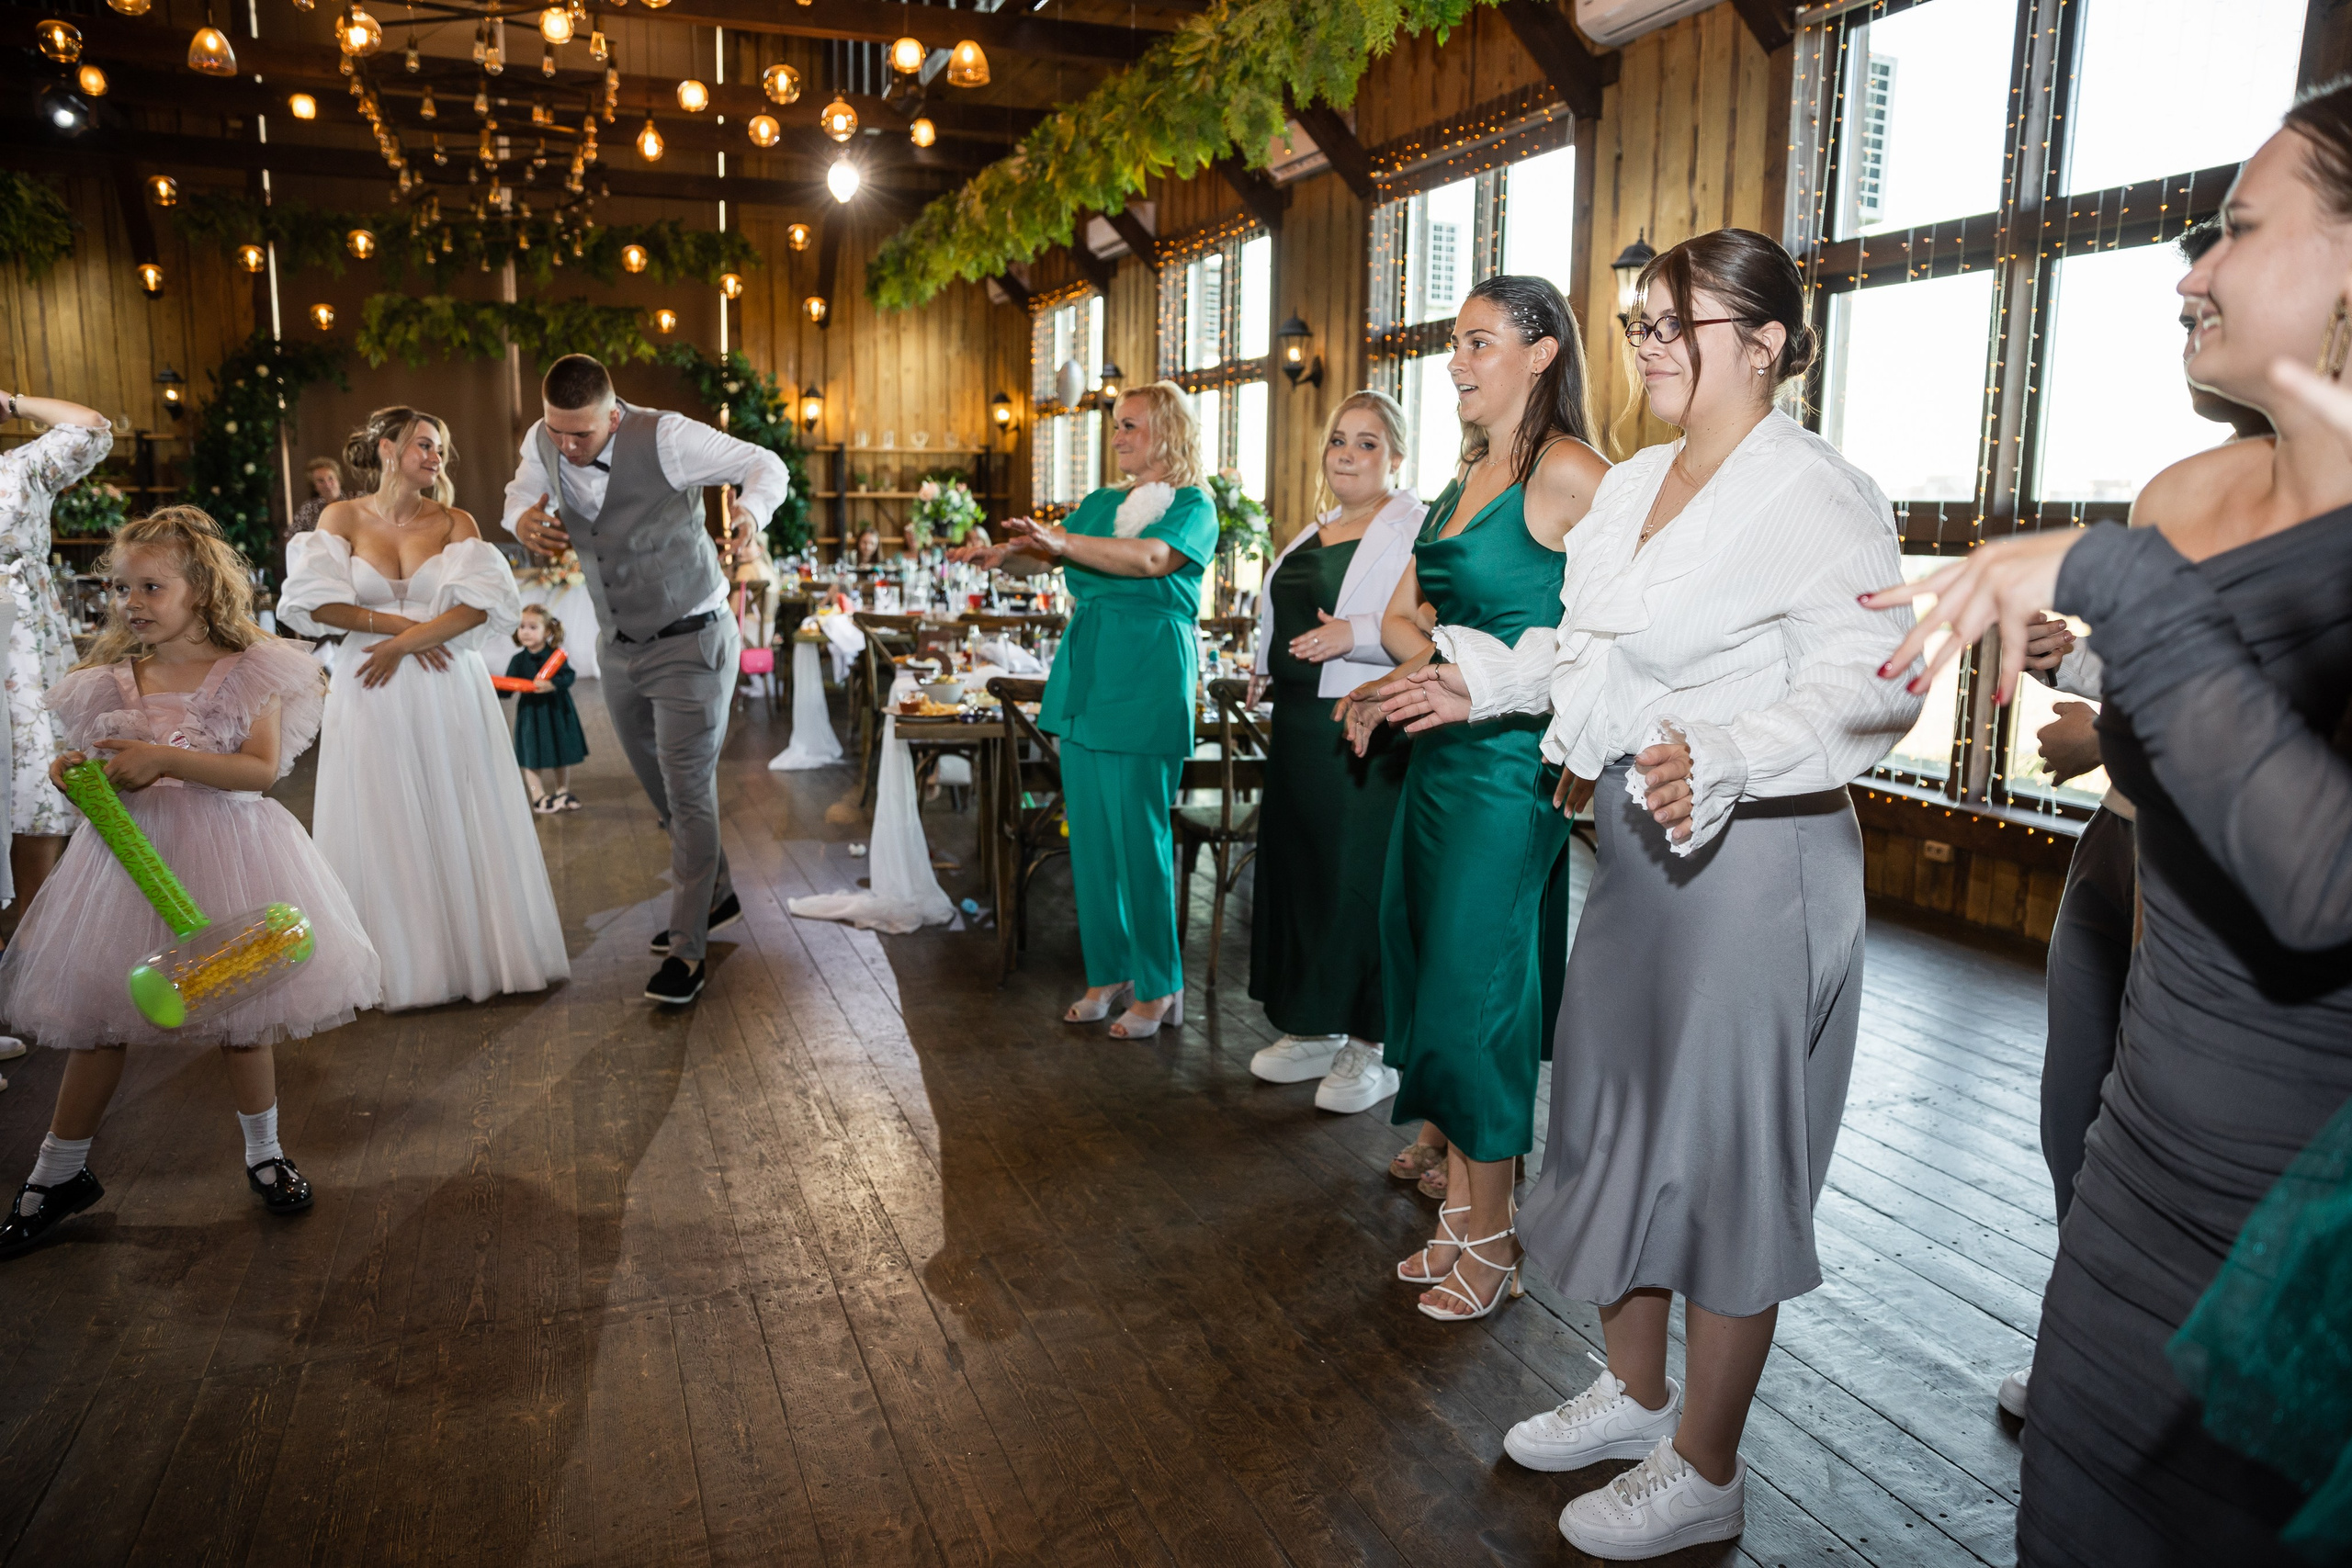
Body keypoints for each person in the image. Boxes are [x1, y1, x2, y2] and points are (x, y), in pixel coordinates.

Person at [1862, 80, 2352, 1565]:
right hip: (2144, 1174)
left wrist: (2114, 583)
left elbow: (2324, 878)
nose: (2190, 271)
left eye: (2235, 231)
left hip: (2307, 1231)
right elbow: (2172, 819)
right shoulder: (2188, 491)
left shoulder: (2144, 551)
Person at [1384, 231, 1920, 1555]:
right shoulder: (1630, 485)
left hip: (1759, 859)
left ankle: (1708, 1463)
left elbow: (1881, 673)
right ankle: (1632, 1392)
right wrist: (1486, 681)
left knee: (1730, 1157)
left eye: (1683, 321)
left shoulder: (1813, 490)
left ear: (1772, 342)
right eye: (1643, 321)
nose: (1654, 343)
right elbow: (1581, 642)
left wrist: (1732, 753)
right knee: (1616, 1121)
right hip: (1632, 847)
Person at [1994, 213, 2282, 1425]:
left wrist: (2110, 730)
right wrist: (2088, 659)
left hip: (2225, 885)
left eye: (2227, 259)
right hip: (2113, 852)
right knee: (2079, 1125)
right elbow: (2178, 668)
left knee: (2199, 1165)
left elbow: (2281, 731)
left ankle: (2192, 1398)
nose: (2189, 293)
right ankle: (2094, 1342)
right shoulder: (2181, 490)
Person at [0, 507, 381, 1256]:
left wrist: (166, 759)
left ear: (202, 591)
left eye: (150, 586)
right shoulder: (105, 680)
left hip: (230, 851)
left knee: (242, 1017)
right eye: (121, 588)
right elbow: (108, 775)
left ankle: (265, 1153)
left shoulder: (252, 670)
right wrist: (80, 777)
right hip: (129, 868)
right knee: (100, 1022)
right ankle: (56, 1173)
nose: (130, 602)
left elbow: (260, 770)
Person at [1343, 274, 1609, 1324]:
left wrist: (1490, 676)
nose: (1456, 361)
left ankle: (1495, 1240)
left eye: (1478, 342)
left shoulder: (1572, 472)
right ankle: (1457, 1215)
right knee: (1428, 984)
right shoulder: (1463, 482)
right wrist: (1434, 666)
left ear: (1542, 353)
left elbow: (1617, 624)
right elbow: (1404, 612)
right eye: (1454, 343)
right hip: (1439, 762)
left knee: (1482, 998)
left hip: (1512, 771)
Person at [505, 355, 789, 1005]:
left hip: (691, 636)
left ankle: (687, 953)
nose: (568, 447)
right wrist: (521, 518)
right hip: (619, 645)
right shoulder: (542, 438)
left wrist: (751, 513)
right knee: (661, 787)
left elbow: (764, 463)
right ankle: (714, 897)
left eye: (583, 434)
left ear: (615, 413)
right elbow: (521, 488)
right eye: (558, 432)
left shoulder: (667, 437)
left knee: (688, 791)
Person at [952, 382, 1217, 1039]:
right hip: (1090, 668)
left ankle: (1160, 984)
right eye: (1117, 426)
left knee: (1141, 839)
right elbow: (1051, 551)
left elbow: (1152, 558)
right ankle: (1110, 971)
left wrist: (1061, 544)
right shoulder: (1102, 501)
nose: (1118, 436)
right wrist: (1005, 554)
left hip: (1148, 671)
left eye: (1131, 426)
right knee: (1092, 839)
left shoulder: (1193, 505)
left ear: (1169, 432)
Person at [282, 406, 569, 1011]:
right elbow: (314, 601)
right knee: (381, 814)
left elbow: (485, 607)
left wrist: (408, 643)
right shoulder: (341, 517)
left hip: (445, 685)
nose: (436, 456)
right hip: (371, 681)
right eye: (423, 444)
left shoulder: (455, 521)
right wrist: (403, 631)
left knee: (454, 805)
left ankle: (475, 955)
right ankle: (395, 964)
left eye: (440, 448)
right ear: (387, 449)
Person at [1243, 391, 1423, 1115]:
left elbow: (1424, 622)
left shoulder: (1413, 525)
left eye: (1368, 443)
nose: (1347, 454)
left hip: (1362, 724)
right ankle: (1313, 1020)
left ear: (1397, 457)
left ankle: (1371, 1045)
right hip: (1294, 730)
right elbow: (1277, 613)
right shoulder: (1313, 530)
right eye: (1339, 441)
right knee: (1303, 874)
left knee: (1358, 880)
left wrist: (1354, 632)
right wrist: (1263, 662)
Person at [0, 389, 112, 923]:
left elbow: (90, 424)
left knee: (33, 773)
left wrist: (14, 402)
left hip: (23, 641)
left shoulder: (23, 469)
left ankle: (30, 934)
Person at [503, 604, 586, 812]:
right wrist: (491, 688)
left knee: (561, 750)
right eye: (522, 627)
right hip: (531, 713)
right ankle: (537, 794)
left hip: (556, 710)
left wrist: (553, 684)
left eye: (533, 627)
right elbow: (509, 685)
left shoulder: (555, 655)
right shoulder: (518, 660)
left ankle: (562, 790)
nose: (526, 632)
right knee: (531, 753)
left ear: (547, 631)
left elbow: (569, 675)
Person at [289, 457, 343, 536]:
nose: (327, 485)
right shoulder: (309, 508)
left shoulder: (355, 500)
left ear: (338, 479)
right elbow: (290, 536)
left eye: (330, 478)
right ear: (314, 486)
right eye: (321, 481)